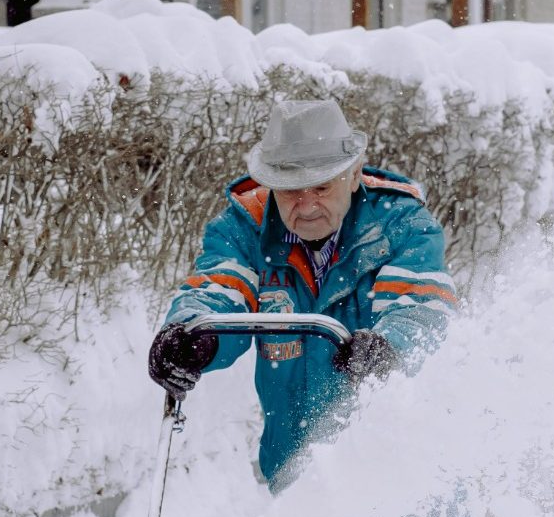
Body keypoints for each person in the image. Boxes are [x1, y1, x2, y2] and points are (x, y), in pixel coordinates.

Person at [147, 99, 456, 492]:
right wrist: (190, 336)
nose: (307, 205)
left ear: (355, 174)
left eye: (323, 186)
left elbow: (420, 312)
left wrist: (388, 350)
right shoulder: (245, 229)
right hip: (295, 472)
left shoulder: (400, 225)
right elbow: (219, 290)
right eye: (291, 190)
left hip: (398, 472)